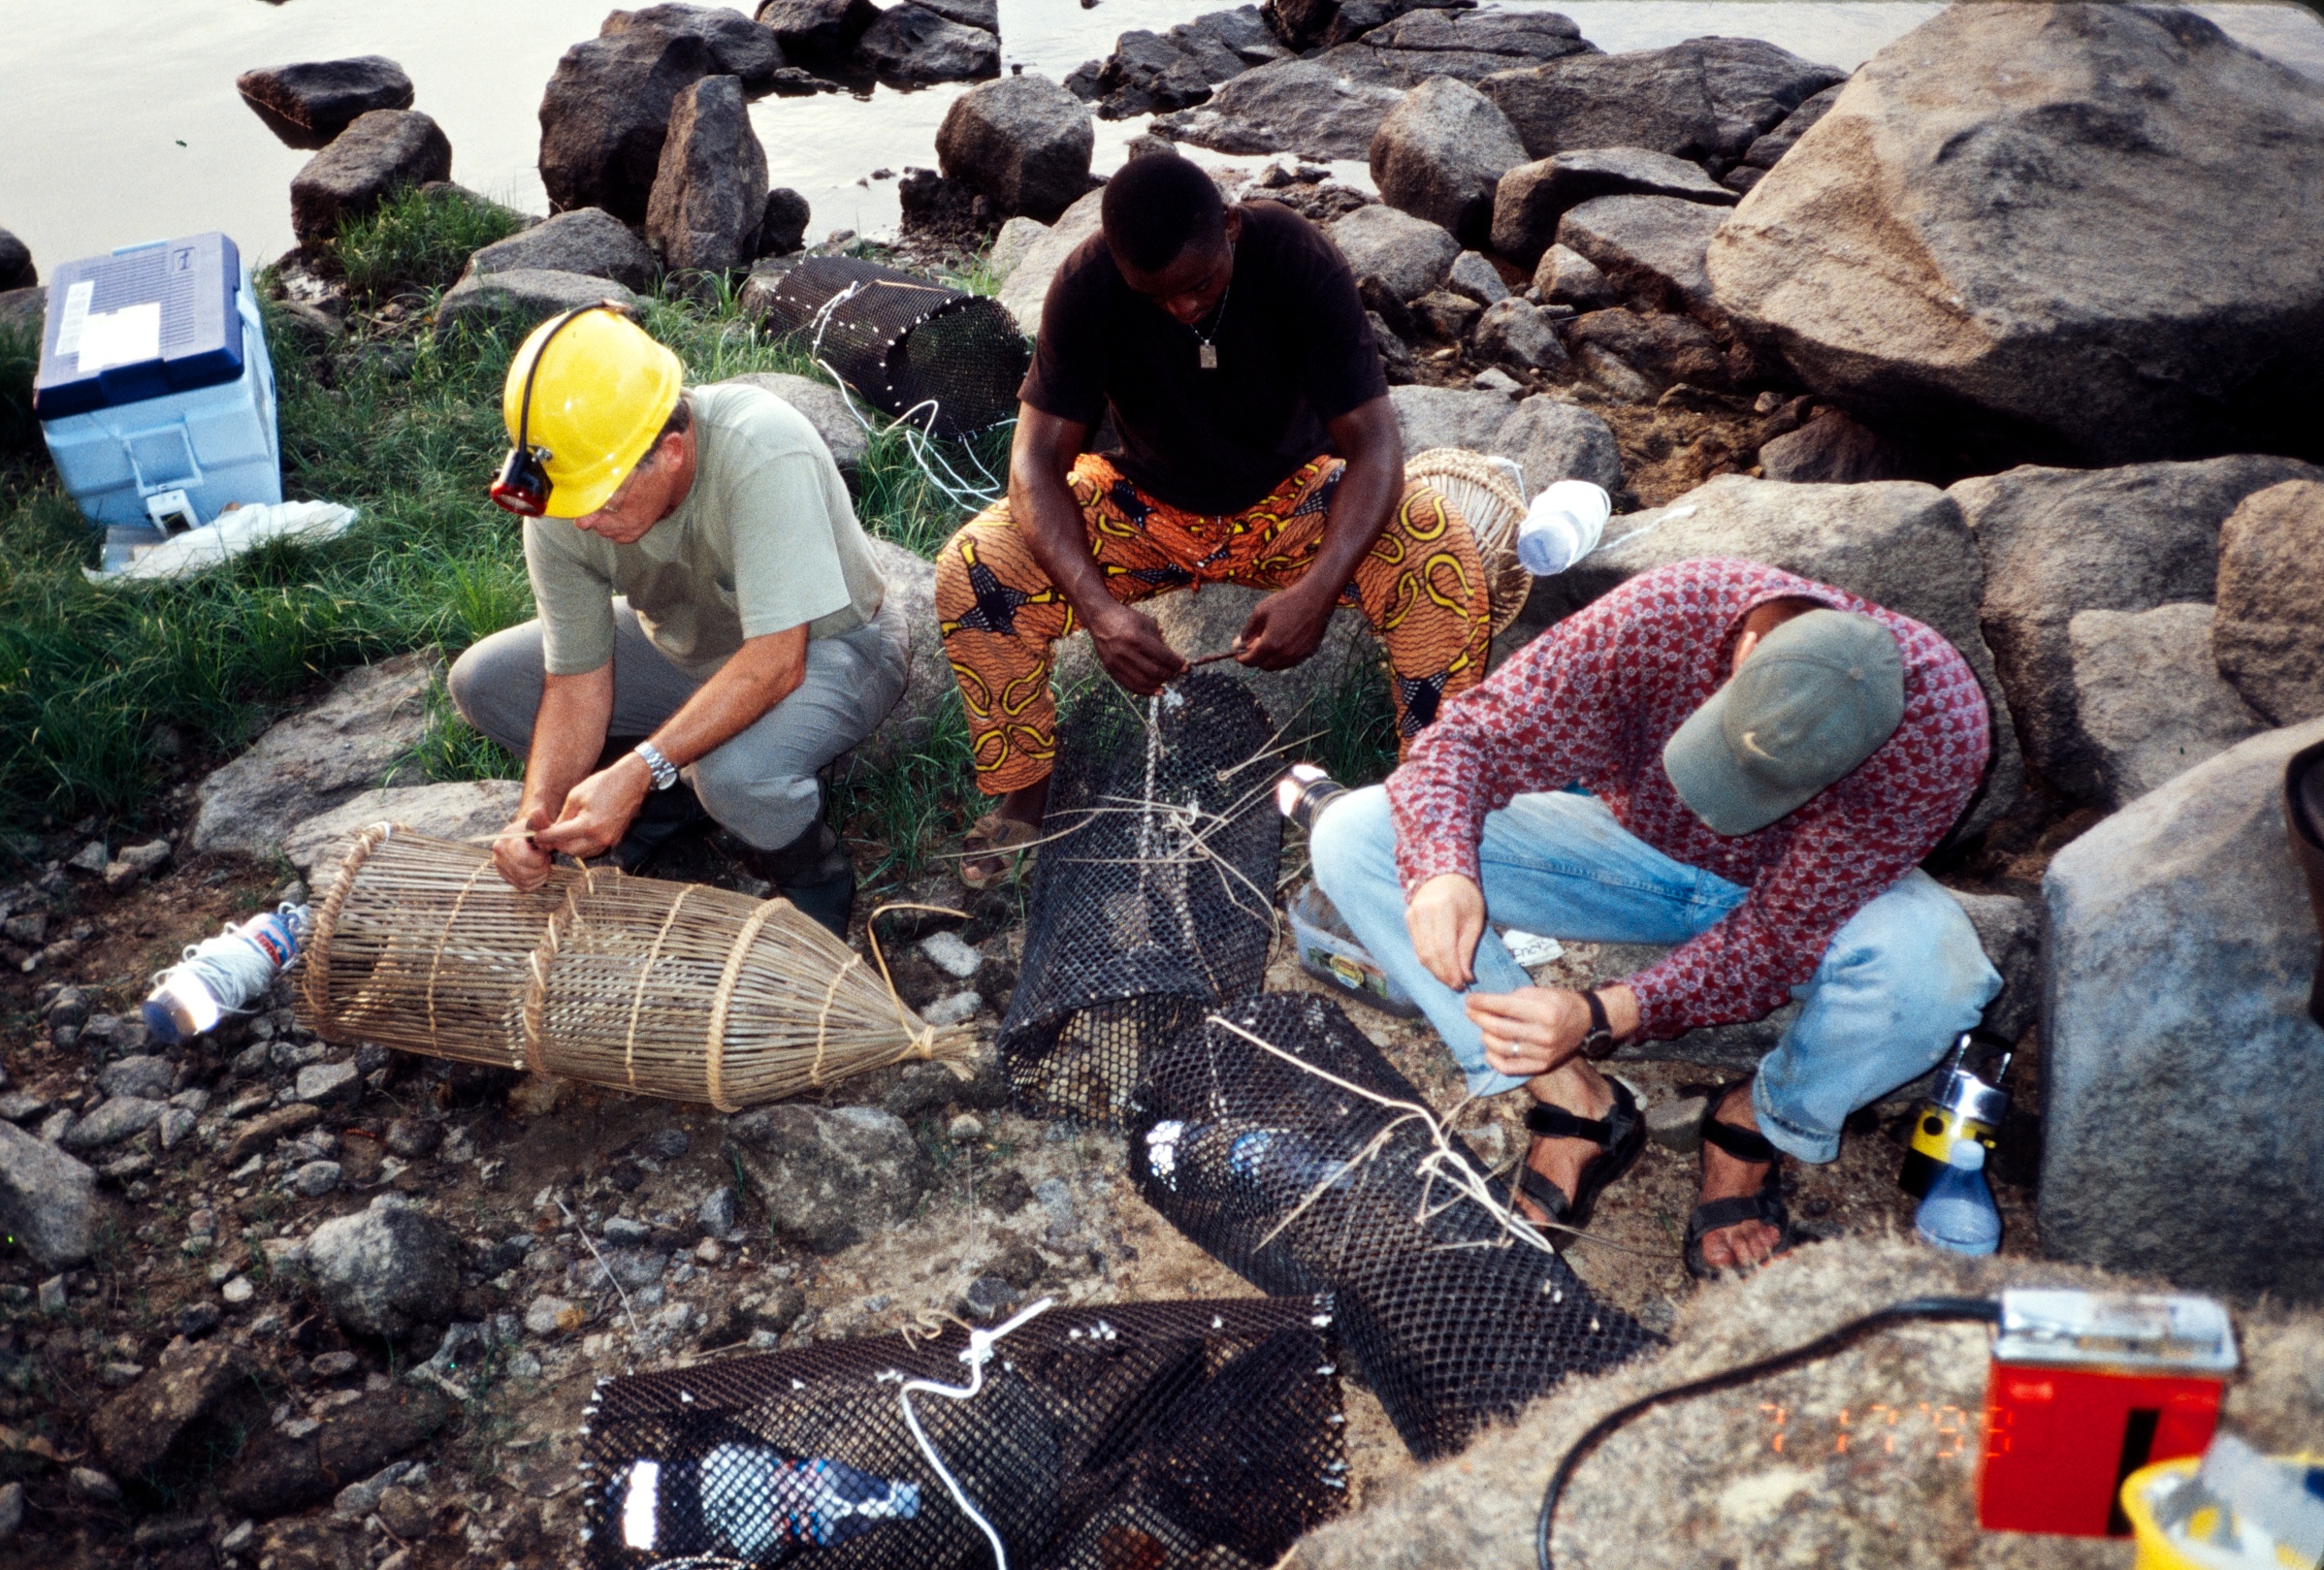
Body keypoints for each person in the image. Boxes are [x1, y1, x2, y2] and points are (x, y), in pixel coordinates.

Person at [1307, 558, 2002, 1277]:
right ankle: (1571, 1096)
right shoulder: (1665, 614)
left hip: (1812, 894)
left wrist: (1603, 1009)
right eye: (1727, 760)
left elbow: (1778, 936)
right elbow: (1467, 740)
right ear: (1746, 649)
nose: (1729, 808)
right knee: (1356, 835)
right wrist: (1443, 868)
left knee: (1936, 979)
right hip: (1630, 854)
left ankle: (1753, 1121)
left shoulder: (1941, 725)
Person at [935, 151, 1496, 886]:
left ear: (1230, 227)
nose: (1183, 310)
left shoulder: (1296, 256)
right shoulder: (1087, 282)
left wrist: (1319, 590)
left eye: (1200, 286)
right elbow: (1033, 463)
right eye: (1156, 296)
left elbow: (1377, 446)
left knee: (1437, 540)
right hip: (1145, 508)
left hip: (1294, 501)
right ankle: (1025, 791)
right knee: (972, 570)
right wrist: (1097, 609)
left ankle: (1430, 803)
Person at [448, 304, 908, 934]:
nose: (582, 521)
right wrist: (534, 814)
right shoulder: (569, 490)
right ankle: (672, 802)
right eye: (571, 499)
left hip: (831, 644)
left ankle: (812, 875)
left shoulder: (760, 446)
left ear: (670, 450)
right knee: (484, 681)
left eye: (602, 501)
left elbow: (777, 661)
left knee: (731, 772)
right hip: (690, 646)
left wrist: (641, 767)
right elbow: (576, 681)